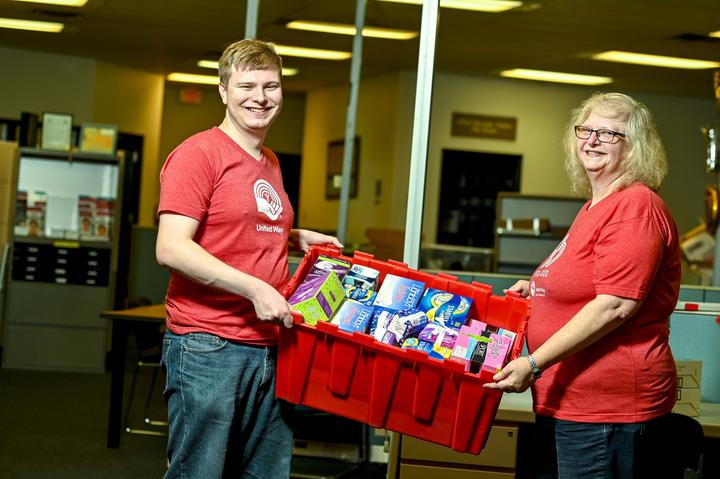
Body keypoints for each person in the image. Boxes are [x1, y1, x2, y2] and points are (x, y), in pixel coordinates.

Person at [155, 39, 342, 479]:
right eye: (246, 85)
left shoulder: (269, 161)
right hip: (209, 345)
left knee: (265, 473)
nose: (260, 97)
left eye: (271, 85)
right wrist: (256, 287)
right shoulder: (199, 154)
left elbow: (238, 223)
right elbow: (172, 246)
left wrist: (293, 236)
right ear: (223, 91)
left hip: (271, 344)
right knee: (200, 472)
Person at [485, 92, 680, 478]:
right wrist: (540, 289)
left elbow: (615, 304)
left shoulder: (635, 207)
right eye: (586, 129)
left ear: (635, 147)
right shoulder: (597, 205)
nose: (591, 140)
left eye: (608, 133)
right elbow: (588, 283)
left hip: (607, 408)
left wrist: (534, 363)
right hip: (570, 401)